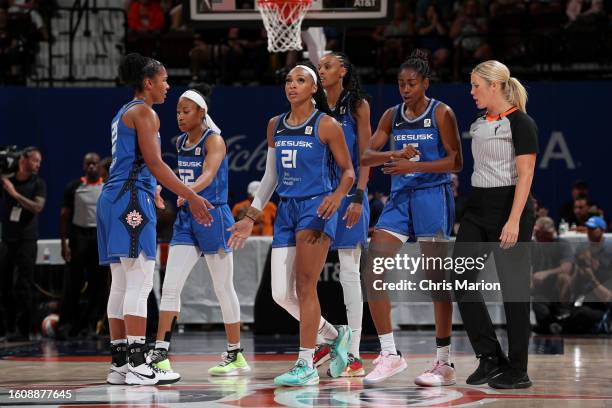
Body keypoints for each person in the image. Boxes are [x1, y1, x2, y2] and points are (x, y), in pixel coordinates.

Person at [228, 62, 356, 386]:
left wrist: (338, 197)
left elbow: (349, 172)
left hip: (317, 207)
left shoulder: (326, 125)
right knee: (280, 294)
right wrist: (250, 217)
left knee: (304, 285)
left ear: (314, 88)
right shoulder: (276, 125)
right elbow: (270, 177)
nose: (292, 85)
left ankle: (306, 363)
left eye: (300, 80)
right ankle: (334, 333)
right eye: (288, 80)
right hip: (286, 208)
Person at [97, 53, 213, 386]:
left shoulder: (125, 112)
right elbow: (156, 163)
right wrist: (191, 195)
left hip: (115, 197)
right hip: (130, 198)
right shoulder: (145, 113)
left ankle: (120, 362)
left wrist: (155, 187)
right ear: (148, 83)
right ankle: (137, 361)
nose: (167, 85)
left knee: (121, 282)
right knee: (140, 279)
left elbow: (137, 163)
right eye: (164, 80)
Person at [361, 49, 462, 385]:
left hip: (433, 197)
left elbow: (456, 162)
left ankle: (443, 362)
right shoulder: (392, 115)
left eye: (412, 83)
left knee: (436, 281)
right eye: (401, 83)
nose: (405, 89)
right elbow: (366, 157)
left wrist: (413, 165)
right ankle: (390, 353)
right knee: (372, 268)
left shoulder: (442, 113)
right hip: (400, 199)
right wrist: (395, 154)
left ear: (425, 83)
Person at [148, 85, 248, 381]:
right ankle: (161, 353)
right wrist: (183, 194)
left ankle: (235, 353)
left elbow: (208, 173)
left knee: (222, 287)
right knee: (170, 286)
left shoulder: (214, 140)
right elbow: (186, 177)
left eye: (185, 111)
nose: (179, 116)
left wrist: (186, 191)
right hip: (187, 218)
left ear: (201, 112)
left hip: (213, 215)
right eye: (177, 111)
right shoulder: (179, 142)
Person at [453, 60, 538, 389]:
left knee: (514, 292)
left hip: (509, 208)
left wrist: (514, 219)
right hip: (477, 207)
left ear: (494, 86)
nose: (471, 91)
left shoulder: (522, 122)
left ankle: (518, 369)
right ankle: (489, 356)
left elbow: (527, 175)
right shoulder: (478, 122)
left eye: (476, 85)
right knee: (460, 278)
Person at [314, 52, 372, 377]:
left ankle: (353, 354)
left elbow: (366, 155)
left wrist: (359, 197)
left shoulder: (357, 105)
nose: (321, 70)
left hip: (349, 196)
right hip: (320, 198)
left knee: (349, 272)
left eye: (327, 66)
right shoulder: (314, 107)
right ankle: (327, 339)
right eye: (319, 67)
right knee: (303, 276)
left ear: (343, 71)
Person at [58, 152, 107, 339]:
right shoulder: (73, 187)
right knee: (72, 284)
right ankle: (66, 325)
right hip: (78, 236)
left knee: (97, 285)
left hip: (99, 238)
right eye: (88, 164)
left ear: (100, 167)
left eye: (95, 163)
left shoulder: (107, 187)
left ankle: (91, 325)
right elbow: (64, 216)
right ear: (83, 166)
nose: (92, 167)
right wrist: (64, 243)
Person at [0, 147, 46, 341]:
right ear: (23, 159)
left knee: (23, 283)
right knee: (5, 283)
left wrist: (14, 194)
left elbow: (38, 207)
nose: (37, 165)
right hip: (8, 237)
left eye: (39, 162)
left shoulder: (38, 183)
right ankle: (7, 327)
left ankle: (24, 330)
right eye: (35, 160)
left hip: (27, 239)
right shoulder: (7, 179)